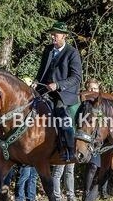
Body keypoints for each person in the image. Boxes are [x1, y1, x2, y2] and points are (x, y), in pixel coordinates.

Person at [34, 22, 83, 162]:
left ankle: (68, 149)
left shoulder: (72, 52)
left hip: (63, 93)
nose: (52, 36)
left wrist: (58, 85)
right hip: (44, 90)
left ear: (64, 36)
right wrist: (35, 81)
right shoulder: (48, 49)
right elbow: (41, 71)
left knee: (62, 115)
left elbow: (76, 77)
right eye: (52, 33)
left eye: (56, 34)